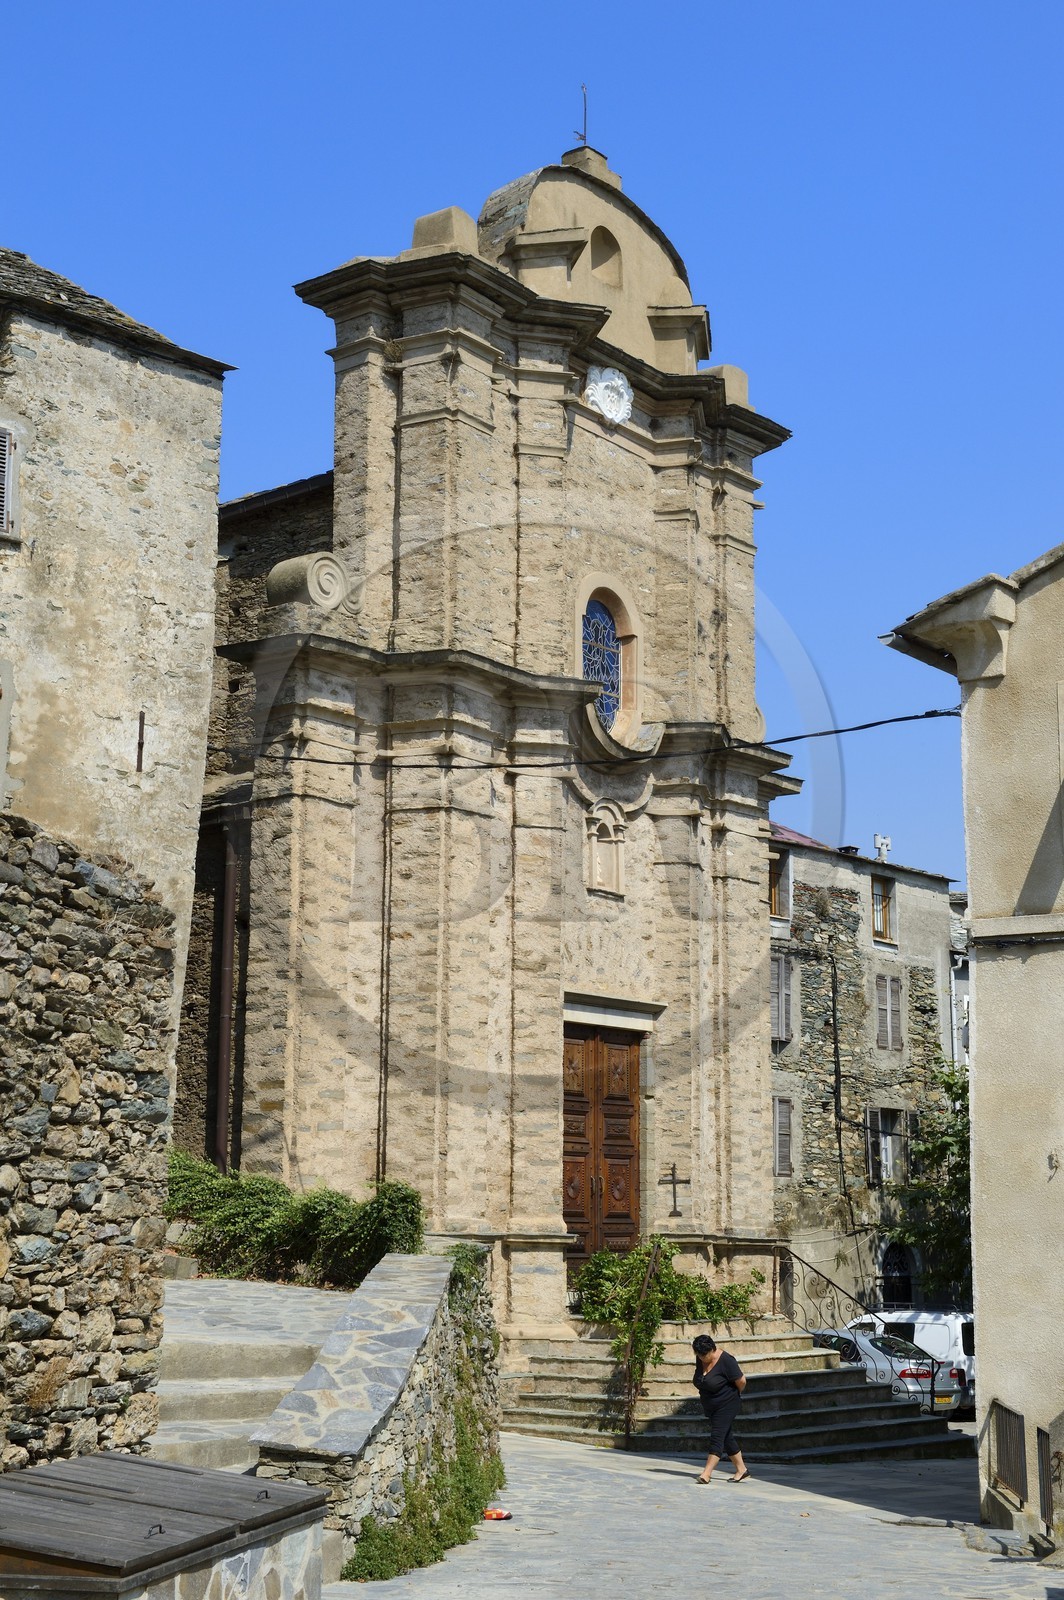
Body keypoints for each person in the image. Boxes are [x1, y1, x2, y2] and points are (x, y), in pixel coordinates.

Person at [691, 1333, 750, 1484]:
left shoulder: (727, 1361)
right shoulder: (700, 1358)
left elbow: (741, 1381)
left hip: (727, 1404)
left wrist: (732, 1395)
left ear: (712, 1349)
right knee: (726, 1436)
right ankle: (741, 1469)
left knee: (717, 1436)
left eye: (705, 1355)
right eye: (699, 1355)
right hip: (711, 1405)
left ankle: (706, 1473)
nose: (702, 1358)